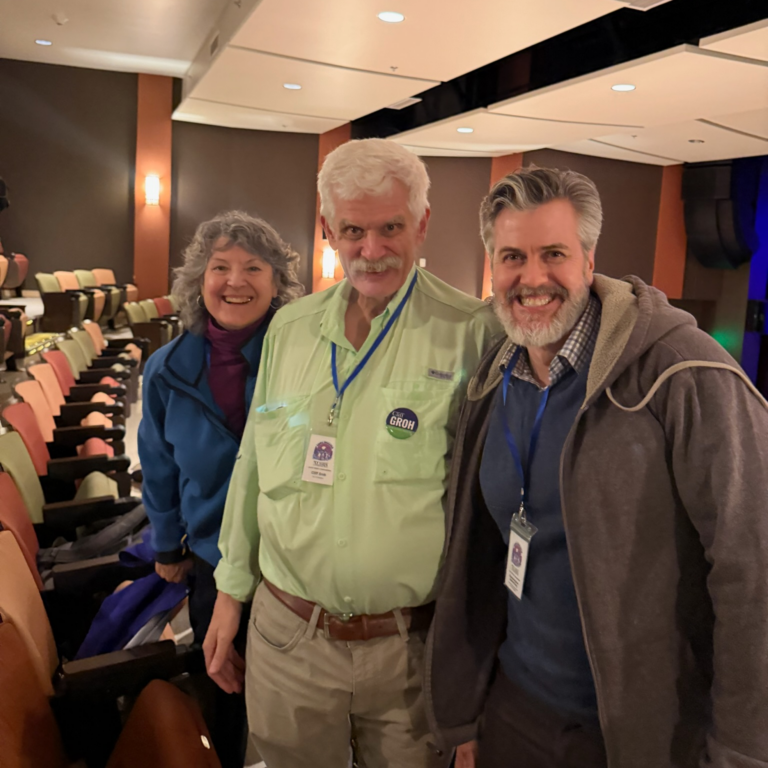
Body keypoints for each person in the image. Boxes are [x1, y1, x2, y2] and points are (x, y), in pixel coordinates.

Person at [427, 165, 768, 768]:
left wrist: (741, 750)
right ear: (492, 268)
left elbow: (753, 570)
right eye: (512, 257)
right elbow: (477, 558)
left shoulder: (681, 373)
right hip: (513, 710)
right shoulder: (492, 376)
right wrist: (467, 709)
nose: (532, 278)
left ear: (588, 261)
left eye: (552, 253)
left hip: (639, 736)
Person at [203, 139, 500, 768]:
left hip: (410, 653)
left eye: (391, 227)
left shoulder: (474, 333)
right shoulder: (290, 328)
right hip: (288, 639)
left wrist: (477, 670)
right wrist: (230, 592)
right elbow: (253, 464)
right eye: (353, 230)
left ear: (422, 222)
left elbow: (491, 511)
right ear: (326, 230)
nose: (372, 249)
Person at [137, 210, 303, 767]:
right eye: (220, 267)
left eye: (254, 267)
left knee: (295, 700)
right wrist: (166, 544)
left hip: (293, 559)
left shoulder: (301, 359)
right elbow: (157, 465)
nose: (236, 281)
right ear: (198, 279)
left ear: (278, 284)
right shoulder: (166, 370)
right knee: (225, 685)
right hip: (213, 554)